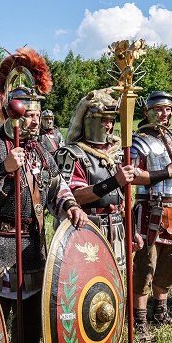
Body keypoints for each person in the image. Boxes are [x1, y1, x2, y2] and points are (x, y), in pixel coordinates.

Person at [0, 47, 87, 343]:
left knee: (31, 312)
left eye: (38, 114)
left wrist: (70, 204)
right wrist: (2, 168)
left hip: (35, 243)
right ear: (15, 112)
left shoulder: (43, 146)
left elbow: (55, 184)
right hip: (2, 243)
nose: (36, 119)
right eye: (30, 114)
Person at [130, 91, 172, 342]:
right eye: (158, 109)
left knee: (170, 265)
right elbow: (132, 175)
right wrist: (164, 173)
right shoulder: (139, 141)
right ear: (147, 112)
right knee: (146, 266)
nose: (164, 114)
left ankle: (160, 311)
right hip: (150, 208)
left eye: (168, 109)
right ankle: (140, 319)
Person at [54, 88, 137, 271]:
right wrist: (114, 181)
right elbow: (75, 196)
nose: (108, 125)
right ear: (89, 120)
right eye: (103, 120)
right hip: (87, 228)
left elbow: (123, 200)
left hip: (116, 229)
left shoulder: (116, 153)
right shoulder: (72, 154)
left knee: (116, 285)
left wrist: (132, 230)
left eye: (111, 120)